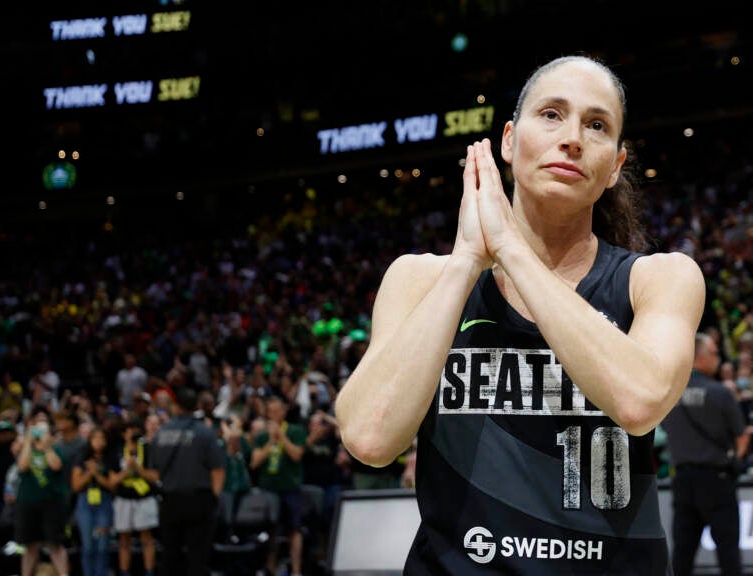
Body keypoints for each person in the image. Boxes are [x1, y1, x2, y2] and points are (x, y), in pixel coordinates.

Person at [335, 54, 706, 575]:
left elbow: (639, 401)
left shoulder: (660, 278)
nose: (573, 136)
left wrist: (510, 248)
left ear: (614, 168)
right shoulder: (420, 278)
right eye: (551, 114)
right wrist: (467, 263)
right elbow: (370, 439)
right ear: (508, 141)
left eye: (596, 125)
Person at [661, 332, 750, 575]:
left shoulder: (670, 393)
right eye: (714, 353)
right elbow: (742, 436)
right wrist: (736, 459)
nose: (718, 357)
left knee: (682, 554)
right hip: (717, 481)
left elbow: (664, 429)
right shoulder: (720, 393)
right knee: (728, 553)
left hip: (682, 480)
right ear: (699, 357)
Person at [149, 385, 225, 576]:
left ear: (175, 406)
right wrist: (213, 498)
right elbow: (218, 471)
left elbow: (154, 473)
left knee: (170, 555)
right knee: (198, 557)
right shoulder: (205, 433)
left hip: (170, 501)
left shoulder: (161, 433)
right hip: (199, 500)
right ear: (196, 406)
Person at [250, 395, 307, 576]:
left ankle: (296, 571)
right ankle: (270, 568)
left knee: (294, 529)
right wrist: (270, 441)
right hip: (268, 489)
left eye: (276, 411)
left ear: (284, 412)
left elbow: (297, 455)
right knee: (270, 531)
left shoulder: (296, 431)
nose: (272, 415)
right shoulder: (262, 436)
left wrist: (281, 436)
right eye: (270, 411)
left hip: (290, 487)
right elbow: (254, 462)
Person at [15, 406, 69, 576]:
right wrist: (28, 442)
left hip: (51, 502)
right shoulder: (25, 446)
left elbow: (56, 465)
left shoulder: (56, 447)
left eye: (43, 421)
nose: (39, 426)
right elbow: (22, 467)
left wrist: (46, 446)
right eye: (36, 421)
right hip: (27, 501)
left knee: (55, 545)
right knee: (30, 545)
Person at [113, 419, 159, 576]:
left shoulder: (148, 448)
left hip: (144, 497)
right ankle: (125, 572)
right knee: (124, 539)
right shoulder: (118, 450)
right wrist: (126, 471)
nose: (132, 433)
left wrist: (136, 467)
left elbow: (154, 477)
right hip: (123, 498)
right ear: (123, 433)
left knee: (147, 538)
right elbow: (112, 481)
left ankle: (149, 571)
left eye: (134, 429)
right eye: (129, 430)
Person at [70, 425, 118, 576]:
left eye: (101, 438)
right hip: (85, 502)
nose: (98, 442)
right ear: (89, 440)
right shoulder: (81, 457)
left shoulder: (110, 458)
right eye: (95, 438)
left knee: (103, 545)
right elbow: (76, 485)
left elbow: (112, 485)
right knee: (88, 545)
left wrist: (96, 474)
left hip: (104, 502)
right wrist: (88, 473)